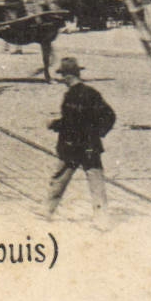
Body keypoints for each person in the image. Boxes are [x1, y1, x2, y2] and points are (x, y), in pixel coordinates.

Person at [39, 58, 114, 230]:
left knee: (59, 178)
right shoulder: (92, 93)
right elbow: (110, 115)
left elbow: (71, 122)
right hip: (90, 145)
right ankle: (102, 220)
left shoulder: (70, 96)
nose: (61, 80)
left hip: (72, 146)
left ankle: (46, 211)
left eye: (62, 76)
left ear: (67, 76)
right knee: (96, 182)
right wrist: (97, 132)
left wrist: (54, 124)